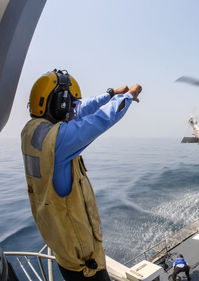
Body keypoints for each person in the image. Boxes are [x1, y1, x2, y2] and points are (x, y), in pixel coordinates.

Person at [20, 69, 142, 280]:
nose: (75, 109)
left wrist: (110, 93)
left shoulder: (34, 131)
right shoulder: (59, 142)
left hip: (63, 250)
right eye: (71, 104)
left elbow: (81, 110)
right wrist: (127, 96)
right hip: (85, 264)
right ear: (59, 105)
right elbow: (100, 120)